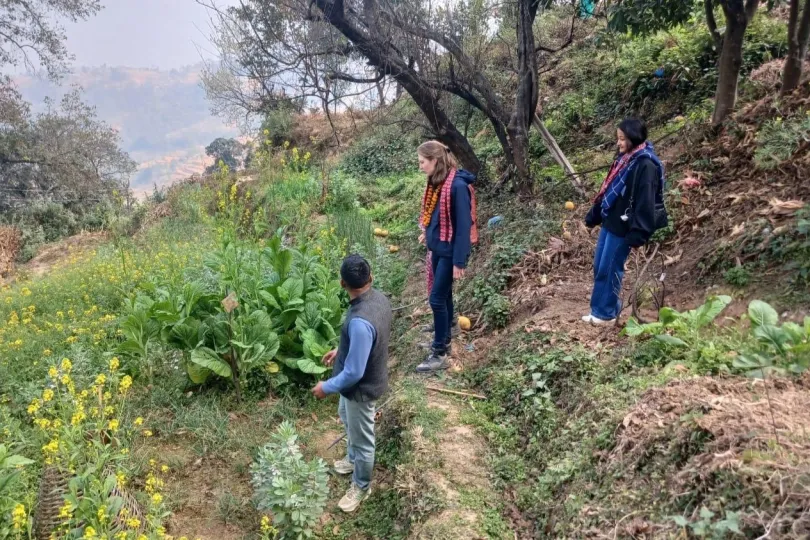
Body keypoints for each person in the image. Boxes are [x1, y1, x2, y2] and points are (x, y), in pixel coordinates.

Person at [311, 254, 392, 513]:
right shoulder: (378, 299)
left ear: (342, 284)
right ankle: (352, 458)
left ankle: (361, 486)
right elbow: (367, 340)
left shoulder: (359, 321)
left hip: (361, 389)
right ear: (371, 277)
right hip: (362, 382)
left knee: (363, 439)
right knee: (345, 417)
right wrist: (341, 350)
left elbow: (355, 372)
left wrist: (327, 387)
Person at [583, 118, 666, 324]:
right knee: (600, 266)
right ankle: (607, 307)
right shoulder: (625, 159)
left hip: (624, 226)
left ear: (633, 138)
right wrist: (594, 215)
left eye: (622, 139)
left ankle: (604, 314)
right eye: (618, 138)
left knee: (610, 267)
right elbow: (609, 190)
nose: (618, 143)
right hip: (610, 222)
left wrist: (639, 233)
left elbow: (646, 201)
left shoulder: (645, 164)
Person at [415, 140, 477, 373]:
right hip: (438, 248)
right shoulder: (436, 183)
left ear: (435, 161)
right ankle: (449, 328)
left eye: (423, 162)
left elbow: (462, 227)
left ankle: (440, 351)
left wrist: (459, 261)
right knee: (443, 294)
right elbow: (436, 217)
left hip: (450, 252)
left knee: (436, 299)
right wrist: (428, 235)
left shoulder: (457, 187)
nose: (421, 166)